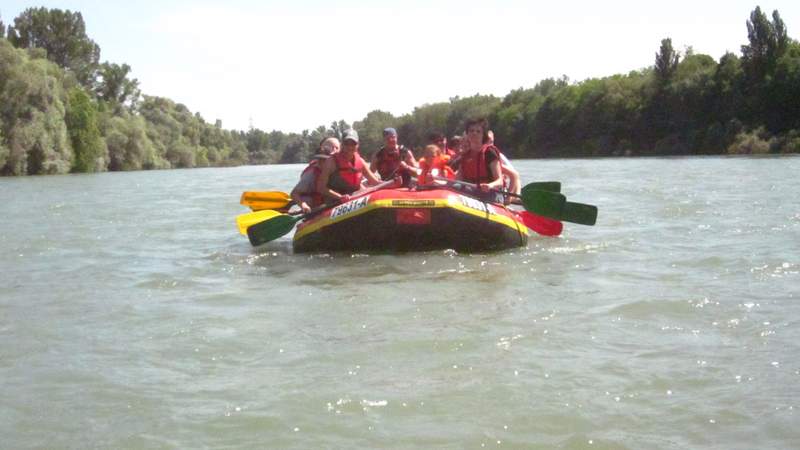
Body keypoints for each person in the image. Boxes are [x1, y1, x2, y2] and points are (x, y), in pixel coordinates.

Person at [317, 129, 382, 203]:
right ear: (342, 144)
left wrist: (393, 183)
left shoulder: (361, 161)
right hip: (334, 202)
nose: (350, 147)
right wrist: (340, 197)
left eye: (353, 144)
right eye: (346, 143)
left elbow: (376, 182)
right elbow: (321, 188)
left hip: (353, 199)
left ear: (358, 145)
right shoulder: (331, 162)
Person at [290, 137, 340, 213]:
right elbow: (294, 193)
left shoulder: (341, 165)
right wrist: (303, 205)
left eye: (324, 160)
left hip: (332, 200)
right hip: (315, 204)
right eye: (319, 159)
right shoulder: (311, 174)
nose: (320, 163)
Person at [456, 118, 504, 192]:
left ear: (483, 135)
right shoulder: (464, 156)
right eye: (471, 131)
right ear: (467, 134)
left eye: (478, 131)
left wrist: (490, 185)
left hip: (491, 193)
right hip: (472, 193)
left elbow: (500, 181)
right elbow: (457, 181)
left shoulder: (489, 152)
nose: (474, 133)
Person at [485, 130, 521, 195]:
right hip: (485, 189)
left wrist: (511, 196)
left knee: (515, 175)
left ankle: (516, 195)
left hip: (499, 190)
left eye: (491, 142)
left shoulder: (495, 155)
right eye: (487, 141)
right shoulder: (472, 154)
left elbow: (515, 175)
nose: (489, 144)